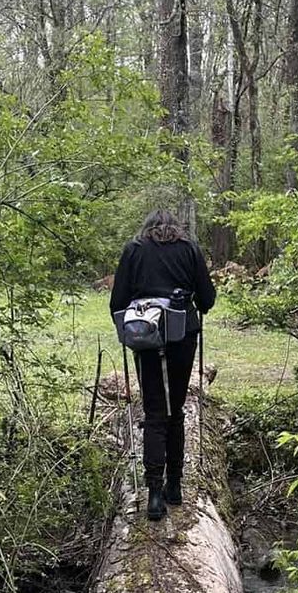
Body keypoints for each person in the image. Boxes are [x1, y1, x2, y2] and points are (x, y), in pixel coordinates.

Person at [110, 209, 216, 521]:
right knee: (176, 409)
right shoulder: (191, 251)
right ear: (177, 229)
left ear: (147, 228)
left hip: (145, 338)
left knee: (155, 412)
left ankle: (154, 495)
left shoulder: (134, 251)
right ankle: (174, 487)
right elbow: (207, 300)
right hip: (182, 338)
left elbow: (117, 303)